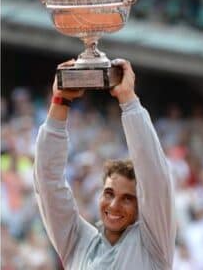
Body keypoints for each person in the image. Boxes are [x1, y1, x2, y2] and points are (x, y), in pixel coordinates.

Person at [33, 59, 175, 269]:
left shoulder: (153, 242)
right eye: (109, 193)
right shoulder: (77, 241)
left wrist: (128, 99)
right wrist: (60, 101)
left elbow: (155, 175)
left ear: (141, 206)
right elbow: (47, 182)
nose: (114, 205)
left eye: (127, 198)